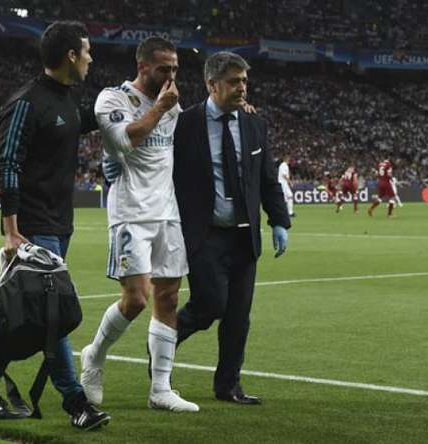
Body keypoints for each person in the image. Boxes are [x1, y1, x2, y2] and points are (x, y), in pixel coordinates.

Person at [0, 21, 110, 430]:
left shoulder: (66, 101)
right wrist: (11, 230)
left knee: (25, 315)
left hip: (59, 224)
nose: (90, 58)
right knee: (53, 315)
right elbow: (8, 163)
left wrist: (140, 95)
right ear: (69, 56)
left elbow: (88, 121)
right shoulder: (27, 102)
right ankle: (76, 403)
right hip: (31, 227)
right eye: (86, 52)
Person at [79, 37, 198, 413]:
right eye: (165, 68)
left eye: (176, 69)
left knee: (169, 298)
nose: (172, 76)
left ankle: (160, 389)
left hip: (167, 212)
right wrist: (160, 109)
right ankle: (94, 357)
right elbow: (123, 142)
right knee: (135, 299)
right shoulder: (112, 99)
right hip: (131, 213)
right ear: (143, 66)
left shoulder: (174, 104)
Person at [173, 51, 290, 405]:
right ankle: (162, 344)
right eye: (234, 81)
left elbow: (267, 178)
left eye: (244, 81)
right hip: (204, 233)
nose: (243, 88)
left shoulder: (255, 123)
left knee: (239, 316)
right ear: (212, 84)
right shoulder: (186, 123)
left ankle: (228, 386)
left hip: (244, 235)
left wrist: (279, 220)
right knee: (210, 305)